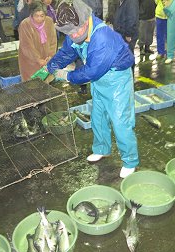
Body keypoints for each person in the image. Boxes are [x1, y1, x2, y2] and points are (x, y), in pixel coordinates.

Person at [47, 0, 139, 178]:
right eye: (69, 33)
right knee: (98, 117)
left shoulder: (102, 36)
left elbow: (91, 71)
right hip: (99, 80)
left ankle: (130, 160)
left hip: (116, 80)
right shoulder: (74, 29)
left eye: (76, 31)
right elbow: (67, 52)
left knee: (120, 121)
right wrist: (50, 67)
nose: (74, 35)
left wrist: (67, 75)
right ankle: (102, 149)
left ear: (86, 20)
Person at [18, 1, 57, 81]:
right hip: (30, 61)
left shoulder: (49, 22)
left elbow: (53, 41)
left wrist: (50, 56)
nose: (39, 19)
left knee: (46, 82)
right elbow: (26, 46)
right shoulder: (25, 24)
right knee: (32, 84)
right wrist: (38, 59)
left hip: (46, 59)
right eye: (36, 16)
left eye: (42, 16)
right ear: (32, 14)